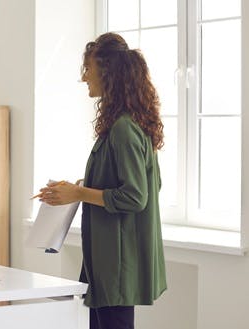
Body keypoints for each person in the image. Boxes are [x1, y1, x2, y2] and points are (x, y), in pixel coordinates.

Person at [37, 32, 167, 329]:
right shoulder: (126, 124)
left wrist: (79, 193)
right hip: (107, 258)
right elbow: (138, 182)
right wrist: (81, 185)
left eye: (88, 70)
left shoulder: (124, 128)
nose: (84, 78)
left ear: (108, 74)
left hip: (116, 263)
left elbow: (137, 196)